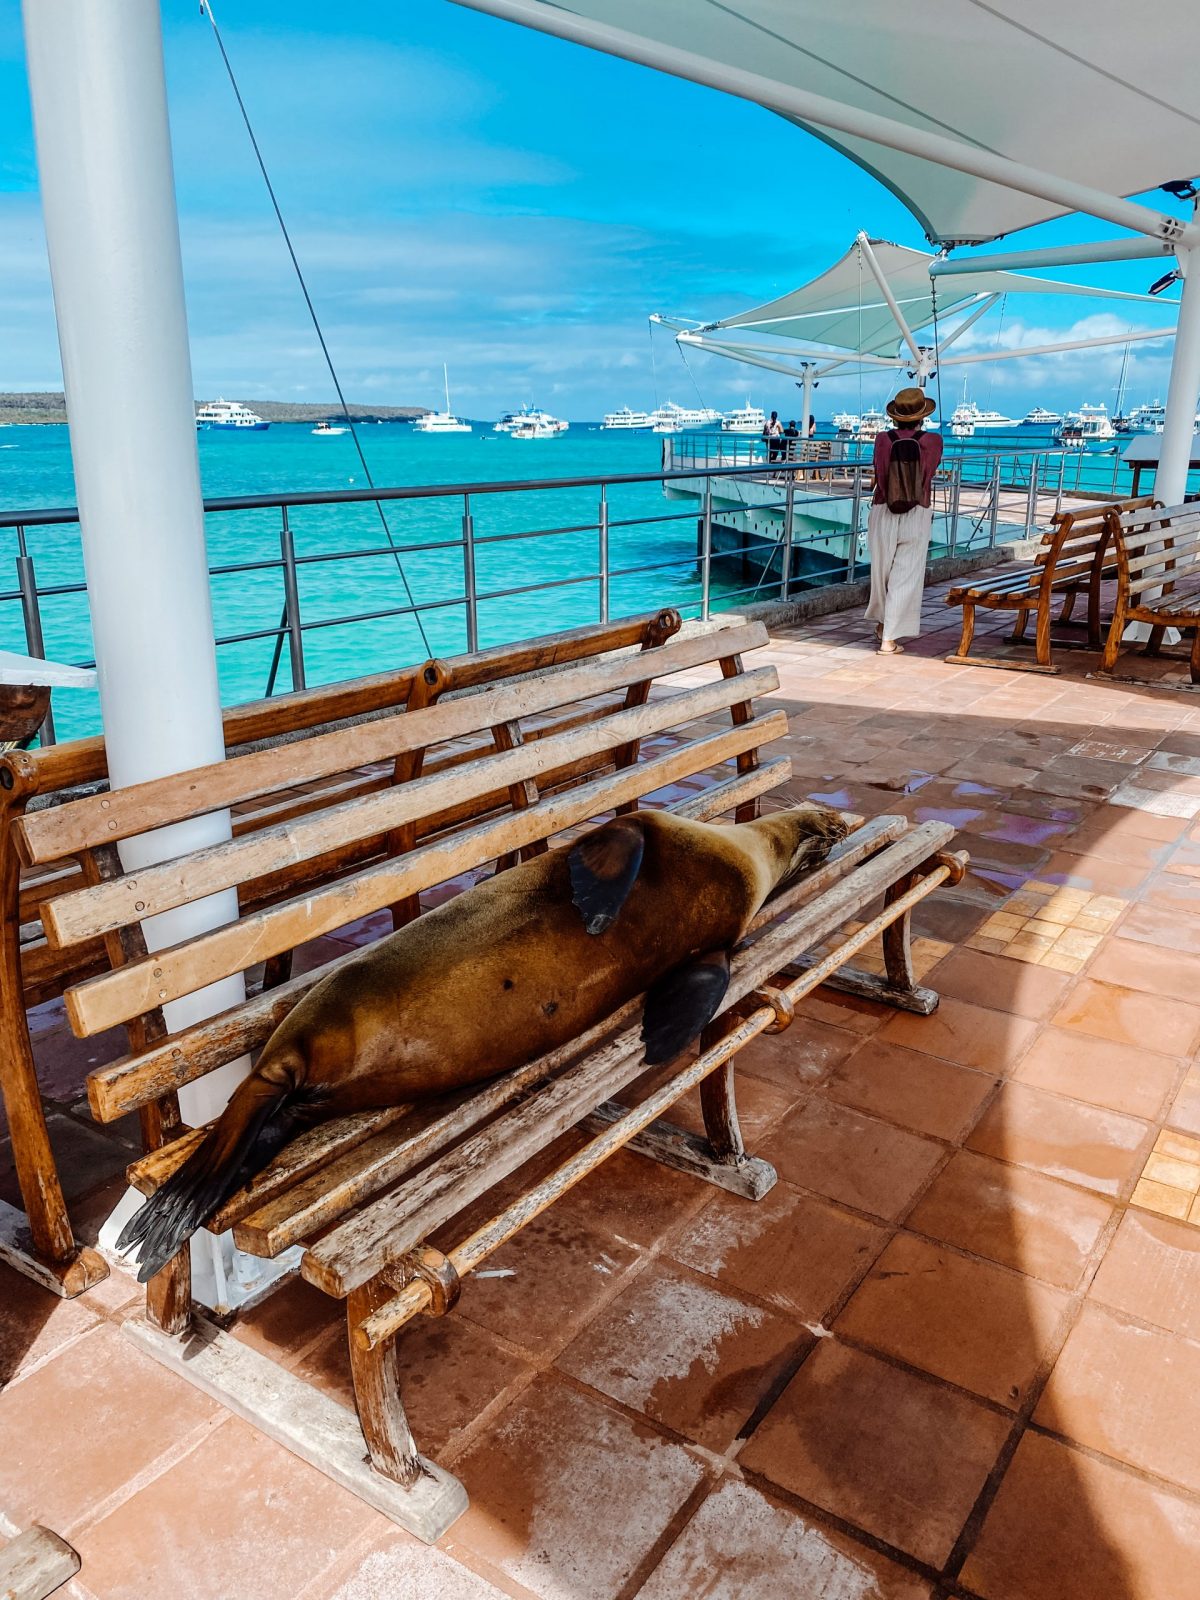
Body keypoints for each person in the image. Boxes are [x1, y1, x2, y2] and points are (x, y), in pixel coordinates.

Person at [865, 387, 943, 655]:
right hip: (917, 511)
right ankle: (889, 637)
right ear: (922, 416)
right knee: (905, 575)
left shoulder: (882, 439)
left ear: (895, 416)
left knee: (882, 573)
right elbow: (929, 472)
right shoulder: (933, 441)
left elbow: (878, 469)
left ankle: (883, 625)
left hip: (883, 508)